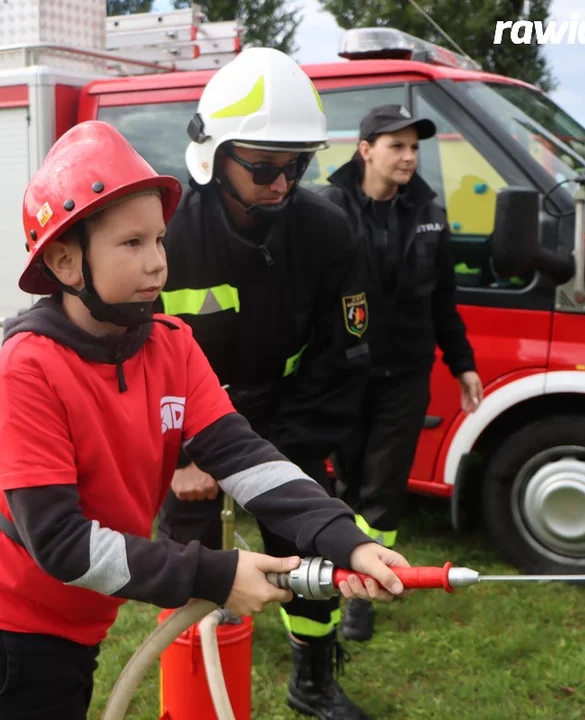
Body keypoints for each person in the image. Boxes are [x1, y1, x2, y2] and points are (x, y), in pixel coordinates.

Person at [0, 120, 412, 720]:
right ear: (64, 260)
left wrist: (345, 537)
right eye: (132, 244)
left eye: (160, 240)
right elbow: (61, 543)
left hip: (79, 619)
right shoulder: (27, 371)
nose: (159, 263)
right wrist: (213, 574)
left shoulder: (170, 343)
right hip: (9, 621)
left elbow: (244, 455)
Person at [154, 48, 376, 720]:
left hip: (287, 422)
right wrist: (184, 453)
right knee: (190, 567)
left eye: (296, 166)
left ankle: (312, 680)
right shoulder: (164, 237)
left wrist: (280, 455)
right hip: (190, 437)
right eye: (265, 167)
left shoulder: (330, 231)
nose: (283, 185)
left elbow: (345, 357)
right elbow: (138, 358)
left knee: (310, 556)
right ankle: (193, 686)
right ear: (215, 156)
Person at [319, 104, 485, 643]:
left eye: (415, 147)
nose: (410, 157)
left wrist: (462, 364)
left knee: (384, 485)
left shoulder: (429, 211)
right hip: (344, 371)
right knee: (347, 479)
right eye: (397, 146)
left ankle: (366, 588)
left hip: (406, 373)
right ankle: (342, 574)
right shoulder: (327, 206)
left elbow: (443, 299)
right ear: (365, 149)